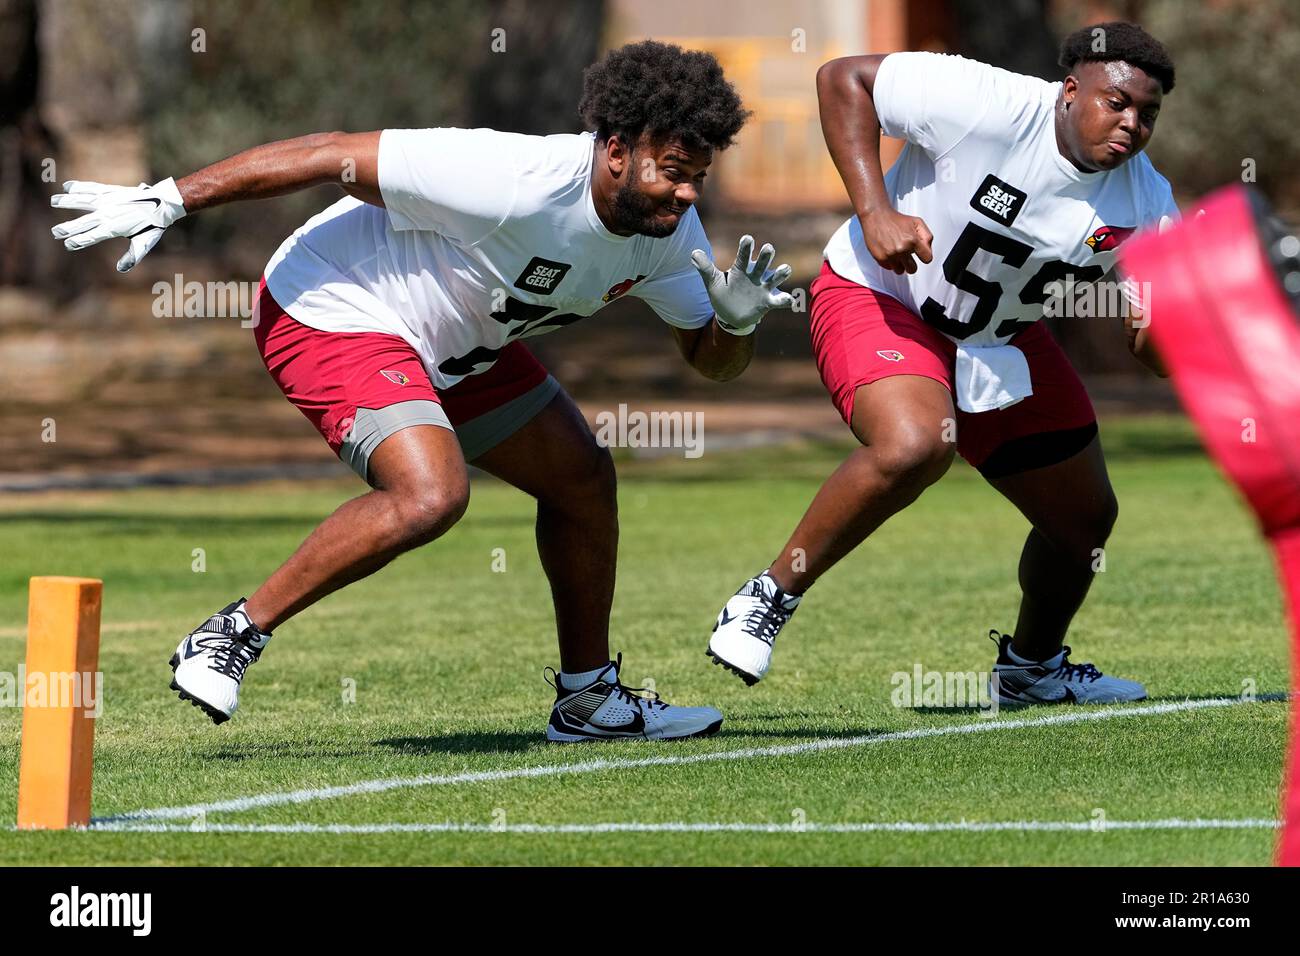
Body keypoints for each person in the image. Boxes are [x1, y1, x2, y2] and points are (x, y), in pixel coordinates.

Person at [51, 40, 792, 741]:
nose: (687, 193)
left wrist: (736, 326)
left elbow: (713, 362)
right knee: (430, 494)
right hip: (333, 305)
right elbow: (329, 152)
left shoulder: (673, 235)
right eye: (672, 170)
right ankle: (231, 634)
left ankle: (588, 698)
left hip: (458, 342)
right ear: (616, 150)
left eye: (699, 174)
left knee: (582, 477)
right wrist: (173, 199)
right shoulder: (509, 178)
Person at [707, 22, 1176, 705]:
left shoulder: (1147, 200)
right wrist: (874, 211)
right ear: (1071, 91)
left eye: (1149, 113)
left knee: (1083, 521)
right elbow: (845, 80)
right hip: (883, 294)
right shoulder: (985, 102)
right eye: (1118, 101)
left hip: (998, 339)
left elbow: (1153, 352)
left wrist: (1175, 324)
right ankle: (768, 595)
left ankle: (1031, 668)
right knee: (918, 444)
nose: (1133, 123)